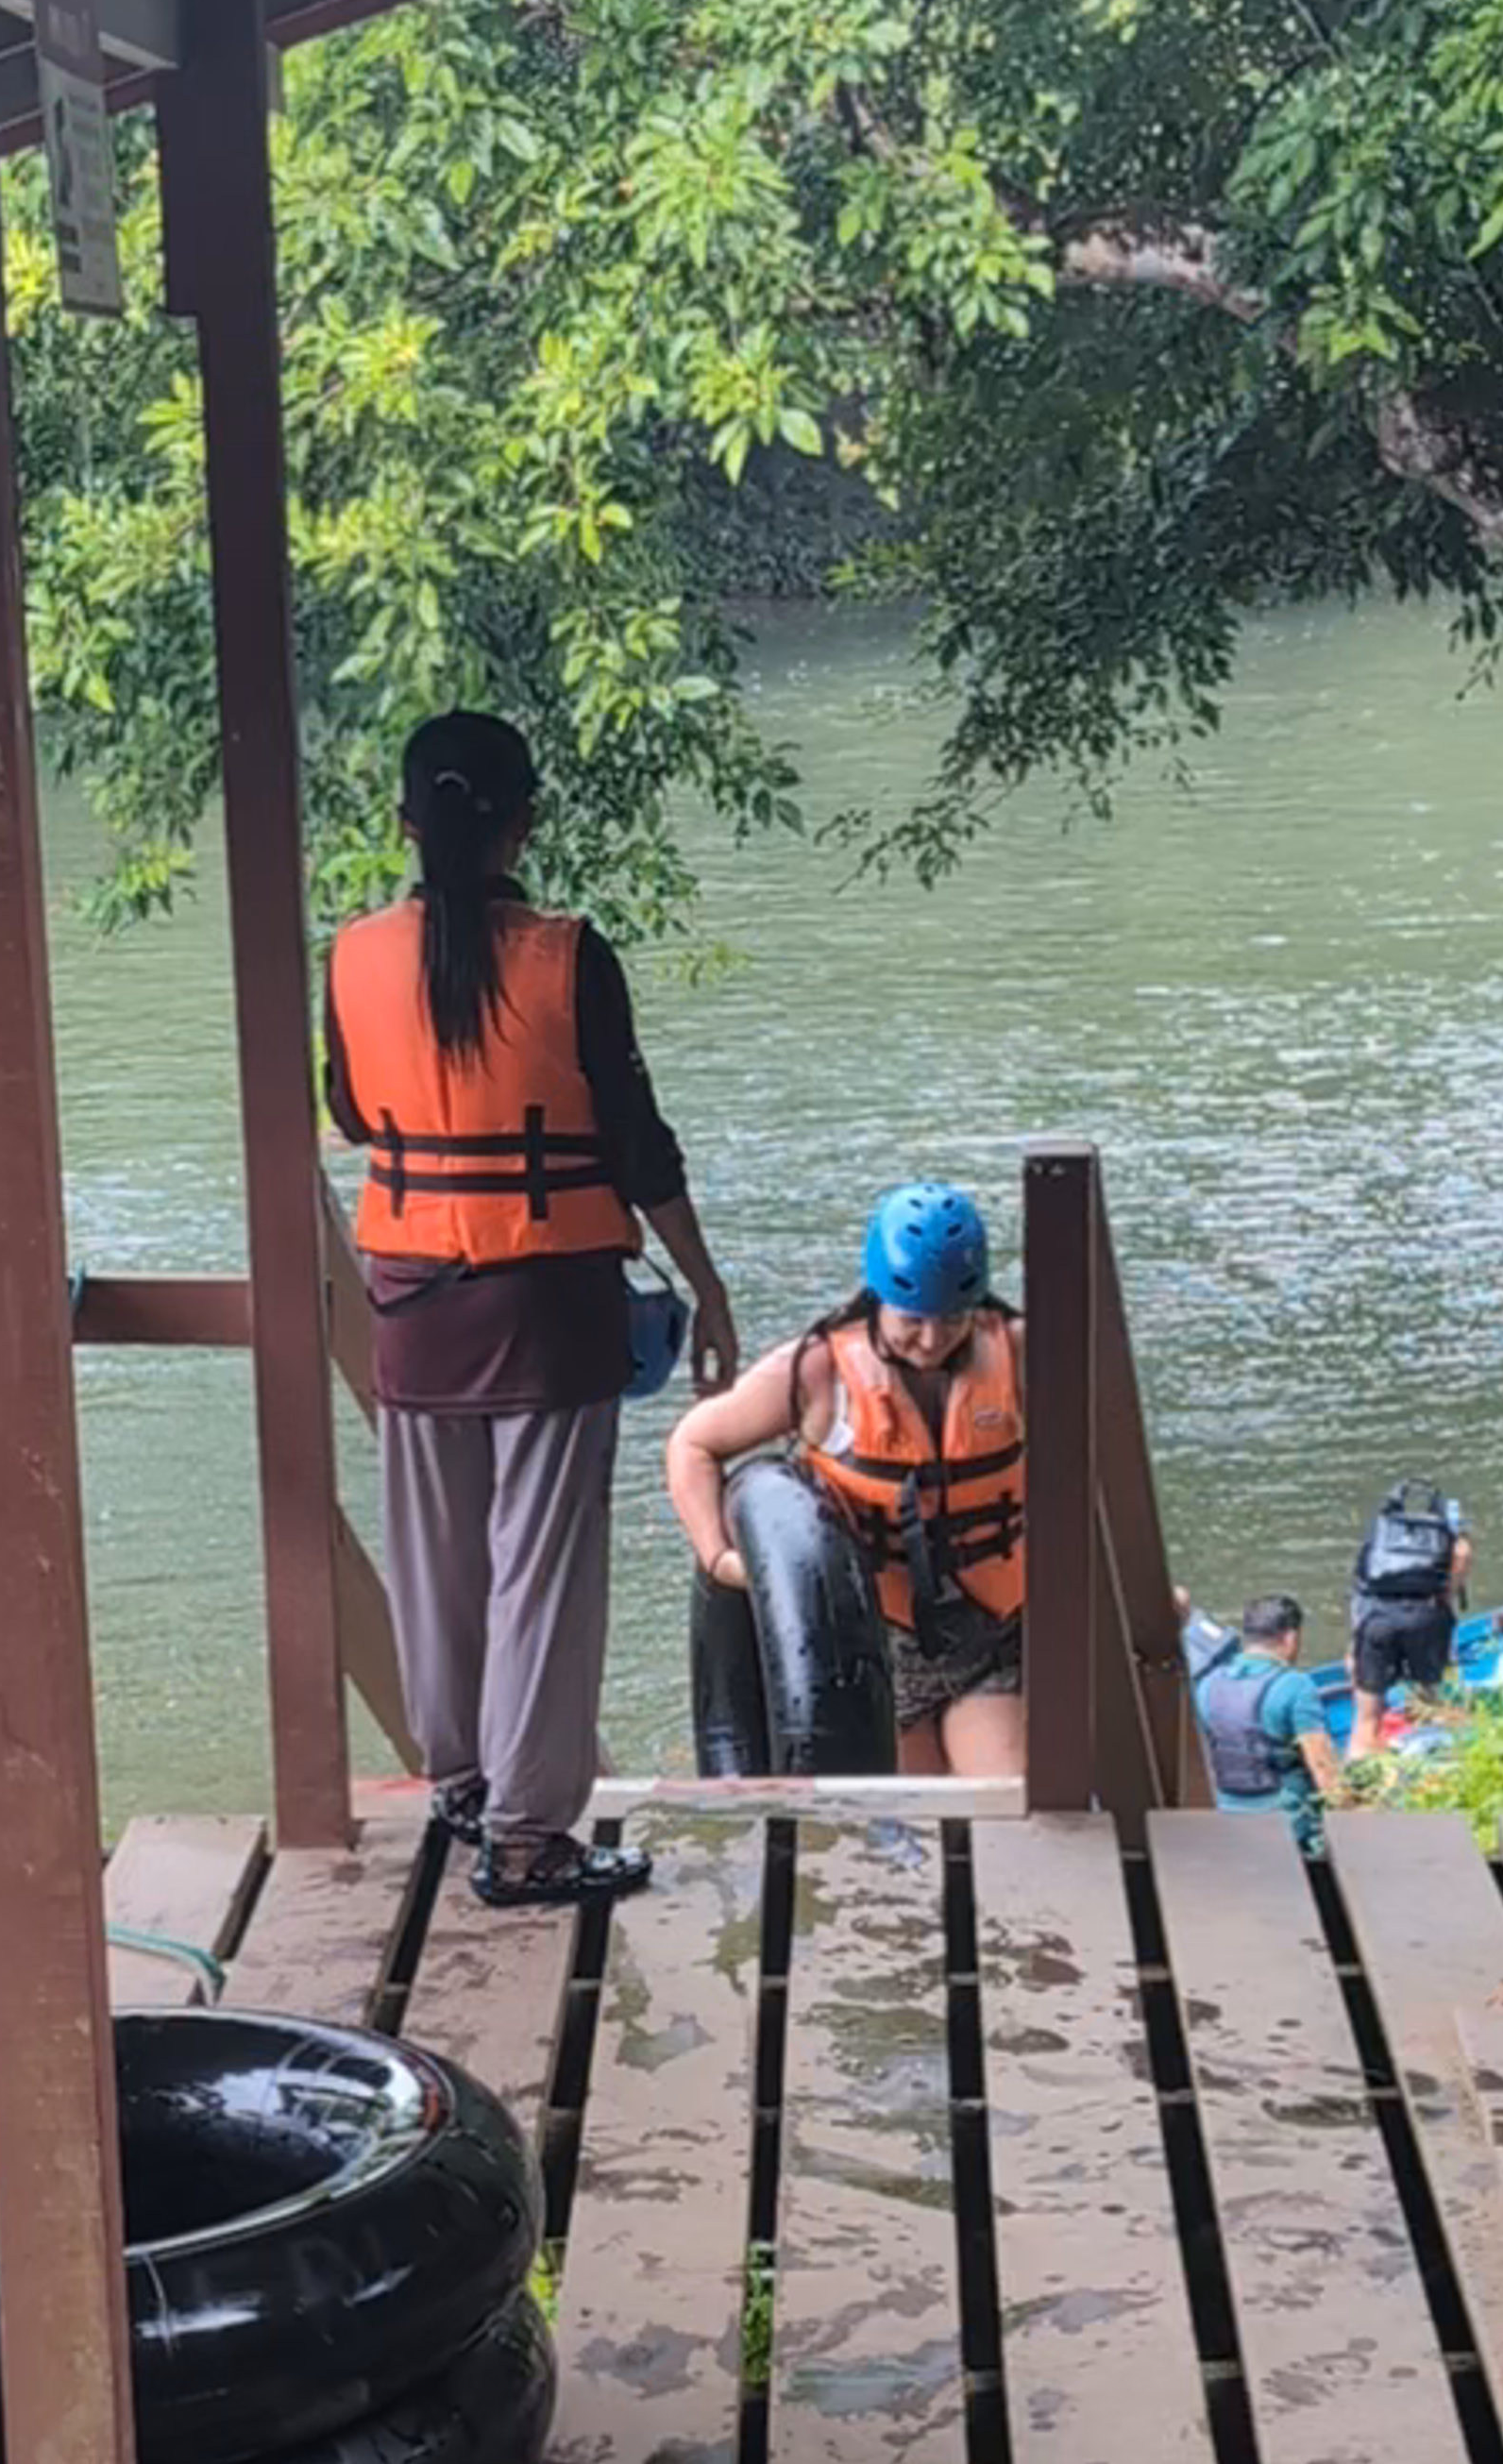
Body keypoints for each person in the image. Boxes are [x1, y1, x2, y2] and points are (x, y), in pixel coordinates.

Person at [325, 710, 736, 1906]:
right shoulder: (569, 957)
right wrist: (704, 1285)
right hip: (549, 1303)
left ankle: (460, 1786)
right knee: (539, 1573)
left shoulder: (351, 956)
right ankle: (528, 1839)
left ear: (405, 826)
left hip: (409, 1297)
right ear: (526, 823)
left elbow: (353, 1113)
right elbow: (639, 1146)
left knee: (437, 1559)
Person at [667, 1182, 1025, 1775]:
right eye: (914, 1320)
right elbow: (693, 1444)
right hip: (875, 1652)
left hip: (989, 1637)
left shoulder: (1017, 1353)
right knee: (910, 1833)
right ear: (879, 1297)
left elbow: (1092, 1461)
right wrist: (719, 1559)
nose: (933, 1341)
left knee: (1004, 1803)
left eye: (953, 1319)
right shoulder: (816, 1370)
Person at [1183, 1590, 1343, 1850]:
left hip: (1225, 1814)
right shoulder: (1295, 1686)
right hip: (1285, 1821)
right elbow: (1323, 1768)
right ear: (1291, 1638)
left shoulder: (1208, 1684)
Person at [1347, 1475, 1472, 1752]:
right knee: (1432, 1703)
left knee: (1367, 1718)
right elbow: (1461, 1558)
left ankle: (1357, 1786)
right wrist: (1445, 1596)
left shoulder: (1380, 1532)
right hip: (1425, 1619)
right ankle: (1438, 1768)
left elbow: (1360, 1590)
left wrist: (1354, 1648)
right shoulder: (1445, 1531)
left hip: (1376, 1621)